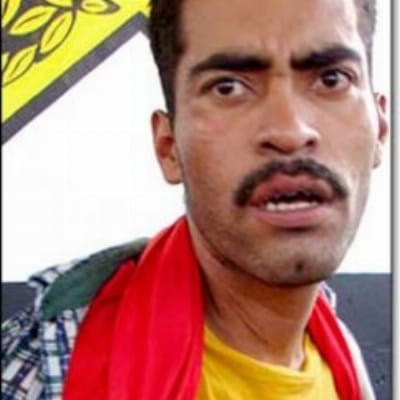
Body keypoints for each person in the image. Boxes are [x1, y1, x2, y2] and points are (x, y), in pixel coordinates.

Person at [2, 0, 388, 399]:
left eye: (331, 80)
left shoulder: (340, 355)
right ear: (168, 147)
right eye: (228, 87)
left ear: (380, 128)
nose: (290, 131)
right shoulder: (38, 374)